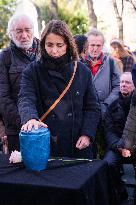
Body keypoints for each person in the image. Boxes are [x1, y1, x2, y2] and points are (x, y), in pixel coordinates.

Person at [18, 20, 100, 159]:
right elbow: (25, 98)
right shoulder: (32, 71)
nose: (54, 51)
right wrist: (30, 118)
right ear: (43, 45)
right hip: (46, 145)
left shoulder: (82, 71)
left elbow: (92, 107)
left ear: (68, 45)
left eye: (59, 45)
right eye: (49, 45)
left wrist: (87, 134)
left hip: (78, 145)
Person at [0, 14, 40, 153]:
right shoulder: (4, 57)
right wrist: (26, 122)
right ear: (11, 34)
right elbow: (3, 97)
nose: (24, 35)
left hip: (46, 125)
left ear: (33, 31)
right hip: (18, 129)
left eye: (27, 30)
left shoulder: (46, 52)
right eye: (19, 31)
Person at [103, 72, 135, 202]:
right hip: (118, 146)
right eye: (122, 82)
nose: (123, 85)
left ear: (134, 85)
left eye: (127, 82)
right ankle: (120, 192)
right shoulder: (112, 105)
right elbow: (108, 131)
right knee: (107, 164)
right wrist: (119, 147)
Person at [85, 28, 120, 119]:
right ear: (86, 45)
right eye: (92, 45)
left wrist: (106, 104)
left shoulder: (111, 62)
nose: (95, 49)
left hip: (105, 113)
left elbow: (118, 85)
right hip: (85, 112)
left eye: (98, 45)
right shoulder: (79, 62)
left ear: (102, 46)